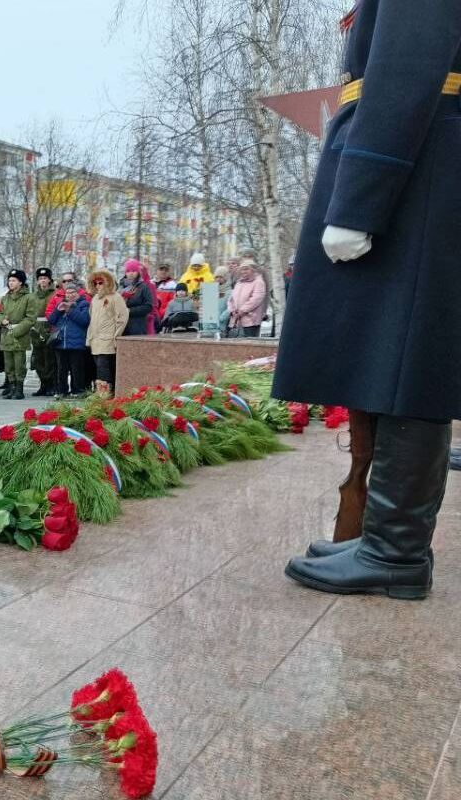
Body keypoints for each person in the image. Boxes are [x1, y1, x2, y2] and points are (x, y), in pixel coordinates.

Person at [278, 0, 461, 600]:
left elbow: (408, 65)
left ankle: (396, 551)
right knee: (398, 355)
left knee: (408, 360)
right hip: (426, 152)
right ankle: (388, 537)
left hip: (418, 159)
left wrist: (360, 199)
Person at [86, 270, 128, 396]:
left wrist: (116, 337)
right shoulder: (95, 299)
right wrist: (89, 337)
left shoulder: (116, 297)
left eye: (101, 282)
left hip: (108, 338)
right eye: (95, 283)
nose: (98, 285)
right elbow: (91, 319)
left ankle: (105, 392)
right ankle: (102, 391)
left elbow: (122, 317)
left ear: (107, 283)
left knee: (104, 366)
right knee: (98, 365)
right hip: (96, 339)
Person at [48, 282, 90, 397]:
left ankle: (78, 391)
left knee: (76, 369)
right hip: (61, 342)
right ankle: (62, 391)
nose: (70, 295)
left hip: (76, 343)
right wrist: (58, 310)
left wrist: (69, 310)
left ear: (78, 293)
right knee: (61, 369)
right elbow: (51, 320)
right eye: (67, 293)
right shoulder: (61, 303)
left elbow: (84, 320)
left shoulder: (83, 304)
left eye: (73, 292)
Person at [0, 269, 33, 400]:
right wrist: (1, 320)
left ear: (20, 282)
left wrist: (16, 331)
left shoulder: (28, 298)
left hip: (19, 336)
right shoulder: (5, 298)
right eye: (9, 280)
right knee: (9, 364)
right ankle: (11, 387)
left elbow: (30, 318)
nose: (10, 283)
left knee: (19, 364)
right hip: (6, 334)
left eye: (14, 280)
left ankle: (19, 388)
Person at [30, 268, 57, 397]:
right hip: (36, 328)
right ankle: (43, 384)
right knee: (38, 359)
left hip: (49, 327)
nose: (43, 281)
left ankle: (51, 384)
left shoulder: (55, 294)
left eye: (45, 278)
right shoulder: (33, 296)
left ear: (50, 280)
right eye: (40, 279)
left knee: (49, 359)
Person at [227, 260, 266, 337]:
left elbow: (256, 299)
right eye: (242, 269)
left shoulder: (258, 282)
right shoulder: (239, 282)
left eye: (246, 269)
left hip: (251, 321)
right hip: (236, 320)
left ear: (253, 270)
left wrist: (242, 311)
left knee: (250, 346)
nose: (243, 271)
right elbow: (231, 299)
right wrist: (231, 310)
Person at [120, 259, 154, 336]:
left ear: (138, 272)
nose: (131, 273)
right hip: (121, 326)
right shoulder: (120, 287)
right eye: (128, 271)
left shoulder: (143, 287)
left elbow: (148, 306)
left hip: (137, 326)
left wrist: (129, 311)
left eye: (133, 270)